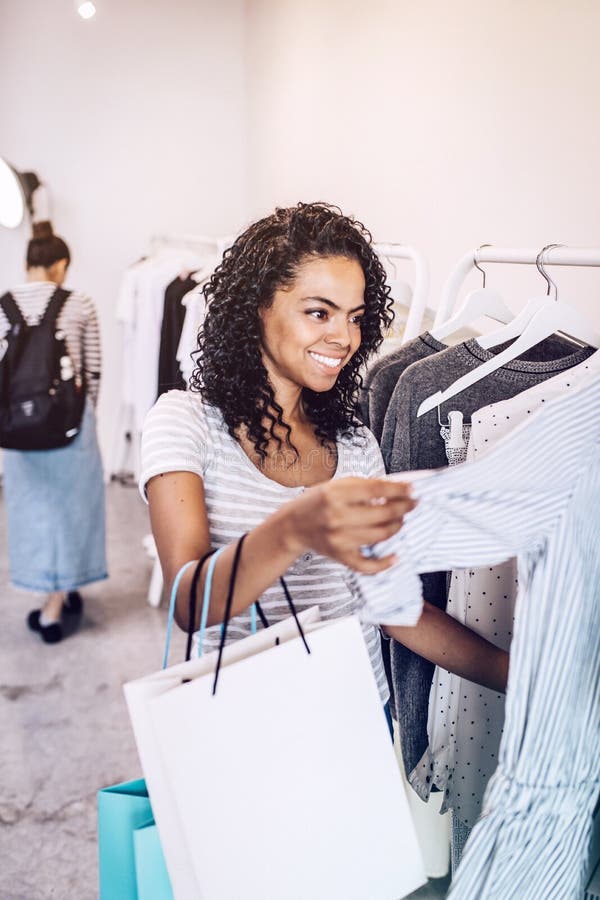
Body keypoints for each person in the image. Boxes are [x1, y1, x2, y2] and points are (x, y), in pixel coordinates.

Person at [141, 202, 508, 705]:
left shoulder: (355, 444)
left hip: (359, 715)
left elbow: (392, 605)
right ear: (256, 309)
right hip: (239, 723)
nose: (344, 337)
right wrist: (297, 526)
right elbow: (191, 603)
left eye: (355, 317)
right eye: (319, 312)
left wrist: (520, 675)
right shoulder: (186, 422)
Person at [0, 221, 107, 643]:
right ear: (60, 265)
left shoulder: (1, 305)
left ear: (27, 264)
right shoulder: (79, 303)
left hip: (18, 429)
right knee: (73, 507)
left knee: (33, 510)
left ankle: (56, 591)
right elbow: (92, 370)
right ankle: (56, 605)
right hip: (69, 423)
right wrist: (85, 416)